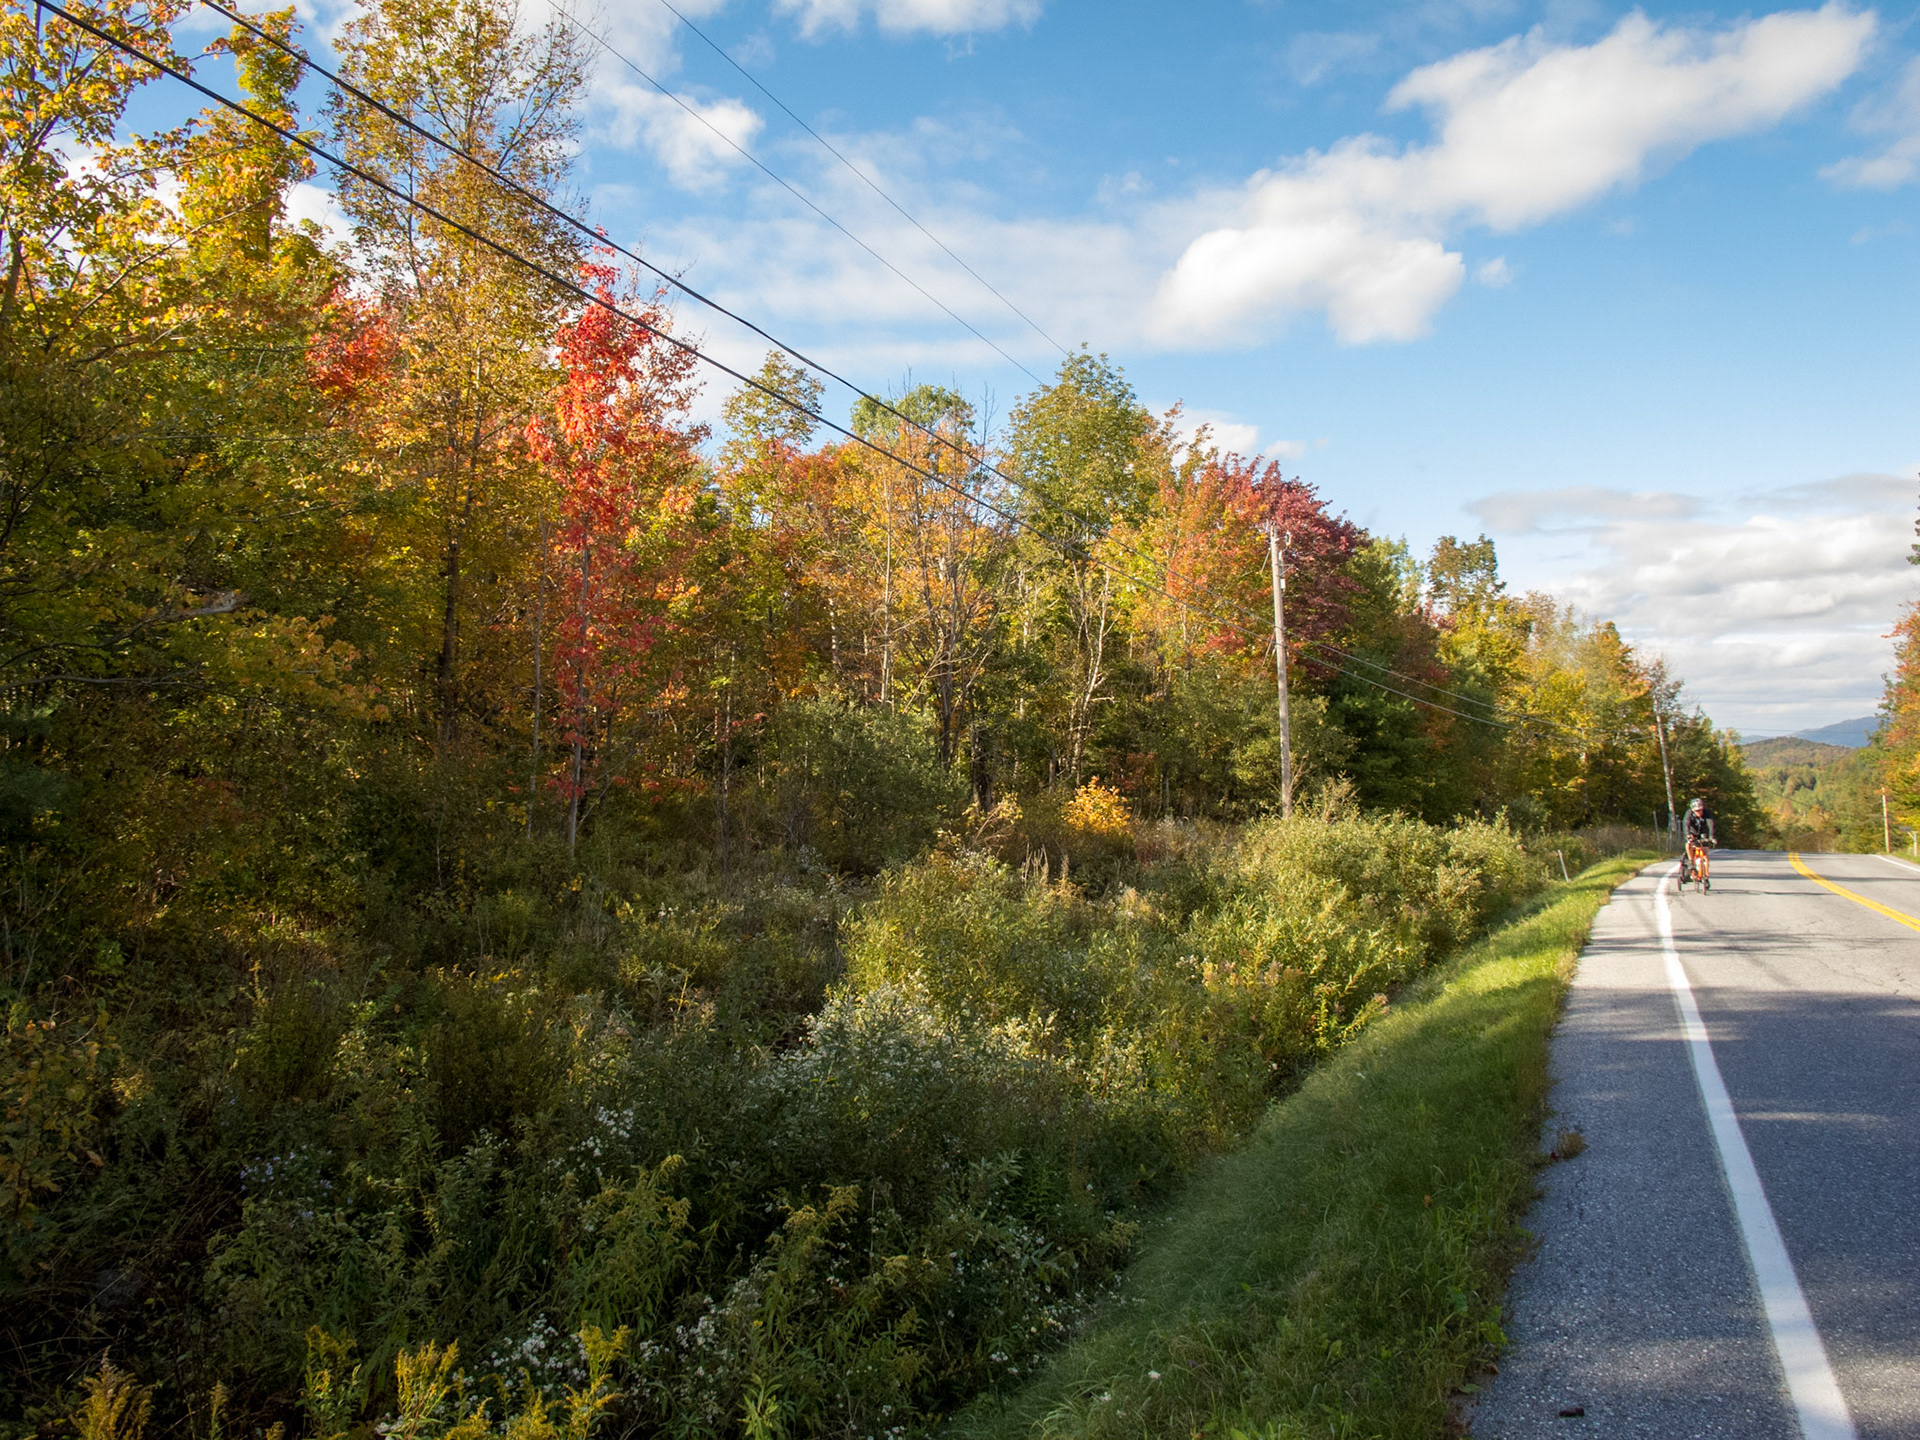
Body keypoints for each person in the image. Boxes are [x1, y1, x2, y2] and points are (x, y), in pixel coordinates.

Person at [1680, 797, 1716, 887]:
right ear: (1693, 810)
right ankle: (1691, 861)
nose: (1699, 812)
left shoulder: (1706, 813)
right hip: (1692, 832)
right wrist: (1688, 835)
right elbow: (1686, 825)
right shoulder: (1689, 814)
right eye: (1697, 811)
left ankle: (1706, 877)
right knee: (1689, 844)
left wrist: (1711, 837)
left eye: (1700, 810)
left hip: (1702, 833)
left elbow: (1710, 825)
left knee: (1705, 855)